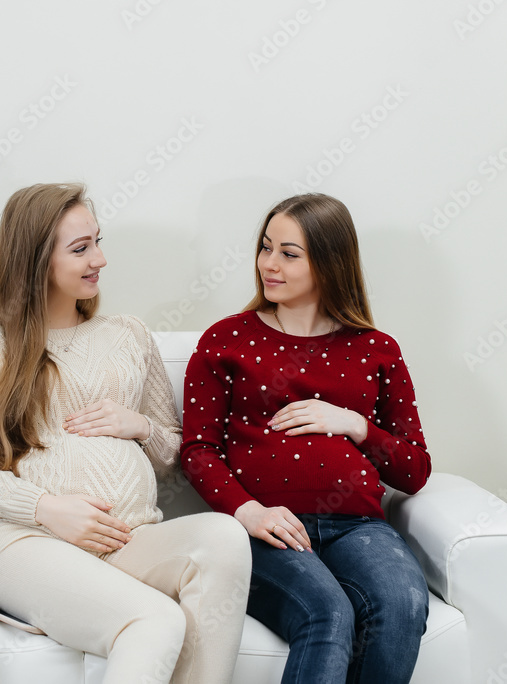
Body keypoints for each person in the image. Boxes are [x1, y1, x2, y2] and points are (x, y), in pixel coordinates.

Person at [0, 182, 251, 684]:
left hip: (128, 539)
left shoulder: (127, 334)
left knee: (224, 536)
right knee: (156, 619)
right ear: (38, 259)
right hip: (23, 541)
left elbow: (175, 451)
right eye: (81, 249)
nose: (100, 259)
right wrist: (47, 508)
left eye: (98, 242)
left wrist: (142, 425)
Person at [180, 193, 431, 684]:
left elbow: (415, 470)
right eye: (266, 247)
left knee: (402, 603)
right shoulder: (225, 340)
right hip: (263, 528)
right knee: (329, 613)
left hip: (357, 527)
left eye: (289, 254)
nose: (268, 264)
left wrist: (354, 423)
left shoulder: (377, 349)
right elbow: (197, 449)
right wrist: (249, 512)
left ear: (330, 263)